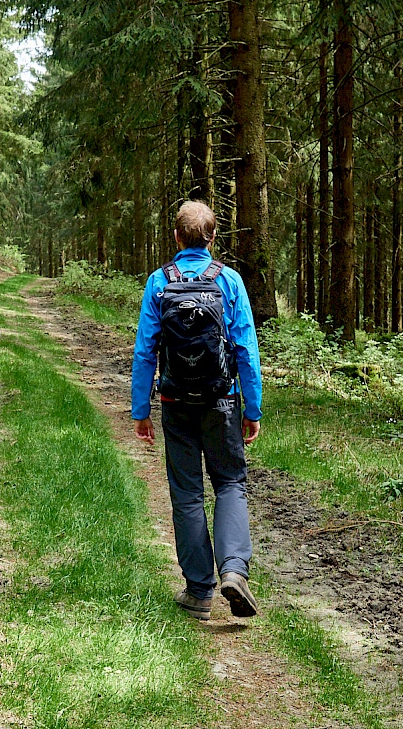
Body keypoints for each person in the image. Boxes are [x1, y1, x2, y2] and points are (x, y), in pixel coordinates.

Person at [131, 201, 262, 622]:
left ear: (176, 238)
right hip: (222, 402)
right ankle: (234, 570)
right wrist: (252, 407)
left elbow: (145, 351)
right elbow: (246, 348)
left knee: (187, 493)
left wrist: (140, 409)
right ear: (211, 238)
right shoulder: (230, 281)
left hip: (175, 404)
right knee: (229, 484)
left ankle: (199, 592)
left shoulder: (158, 282)